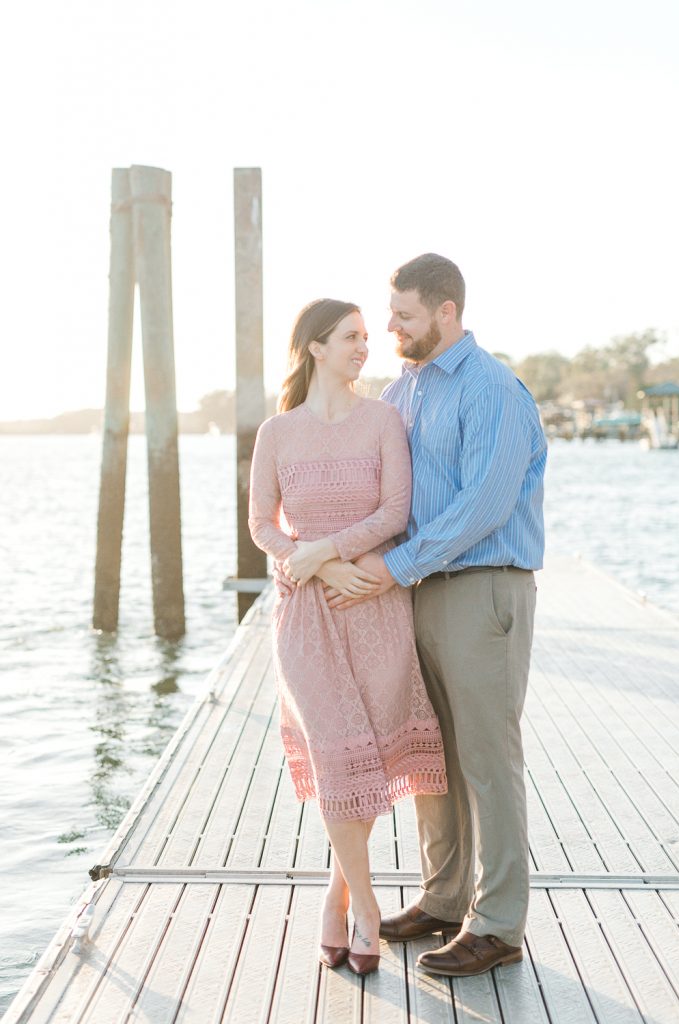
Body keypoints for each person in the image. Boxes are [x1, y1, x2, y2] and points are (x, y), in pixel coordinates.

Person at [324, 254, 547, 977]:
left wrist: (389, 567)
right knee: (432, 761)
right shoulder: (401, 391)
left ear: (447, 311)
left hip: (482, 588)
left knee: (485, 757)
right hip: (413, 590)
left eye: (405, 316)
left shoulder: (493, 389)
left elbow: (482, 506)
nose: (389, 327)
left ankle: (498, 922)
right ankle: (444, 899)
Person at [248, 298, 447, 976]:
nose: (366, 346)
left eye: (367, 336)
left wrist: (326, 551)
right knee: (338, 760)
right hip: (306, 613)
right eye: (351, 337)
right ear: (314, 348)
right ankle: (366, 909)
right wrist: (310, 561)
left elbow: (395, 510)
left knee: (364, 766)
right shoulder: (277, 432)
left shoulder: (383, 419)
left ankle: (334, 904)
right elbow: (262, 526)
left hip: (373, 607)